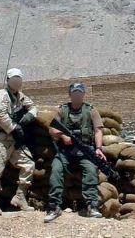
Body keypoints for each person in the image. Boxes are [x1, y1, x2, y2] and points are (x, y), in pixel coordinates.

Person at [44, 81, 106, 223]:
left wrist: (98, 148)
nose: (77, 96)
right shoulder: (62, 110)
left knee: (90, 170)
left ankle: (92, 205)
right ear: (70, 95)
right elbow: (52, 129)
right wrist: (63, 136)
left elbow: (98, 131)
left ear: (83, 94)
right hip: (65, 151)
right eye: (74, 93)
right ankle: (54, 206)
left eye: (79, 93)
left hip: (84, 150)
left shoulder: (91, 110)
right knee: (56, 169)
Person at [0, 67, 38, 215]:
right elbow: (0, 115)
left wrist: (30, 116)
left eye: (18, 79)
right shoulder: (1, 95)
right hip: (0, 138)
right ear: (8, 80)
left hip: (15, 140)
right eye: (14, 79)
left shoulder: (20, 96)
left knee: (28, 164)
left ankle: (20, 196)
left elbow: (33, 107)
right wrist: (14, 127)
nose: (16, 82)